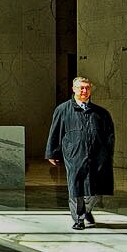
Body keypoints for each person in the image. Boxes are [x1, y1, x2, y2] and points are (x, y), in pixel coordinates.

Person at [45, 76, 116, 230]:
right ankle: (79, 218)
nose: (84, 91)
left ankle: (87, 210)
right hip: (75, 155)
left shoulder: (101, 113)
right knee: (76, 186)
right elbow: (55, 132)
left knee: (97, 188)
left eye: (87, 88)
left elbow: (109, 135)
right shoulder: (63, 110)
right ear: (74, 89)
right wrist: (52, 153)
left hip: (98, 156)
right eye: (81, 88)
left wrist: (108, 154)